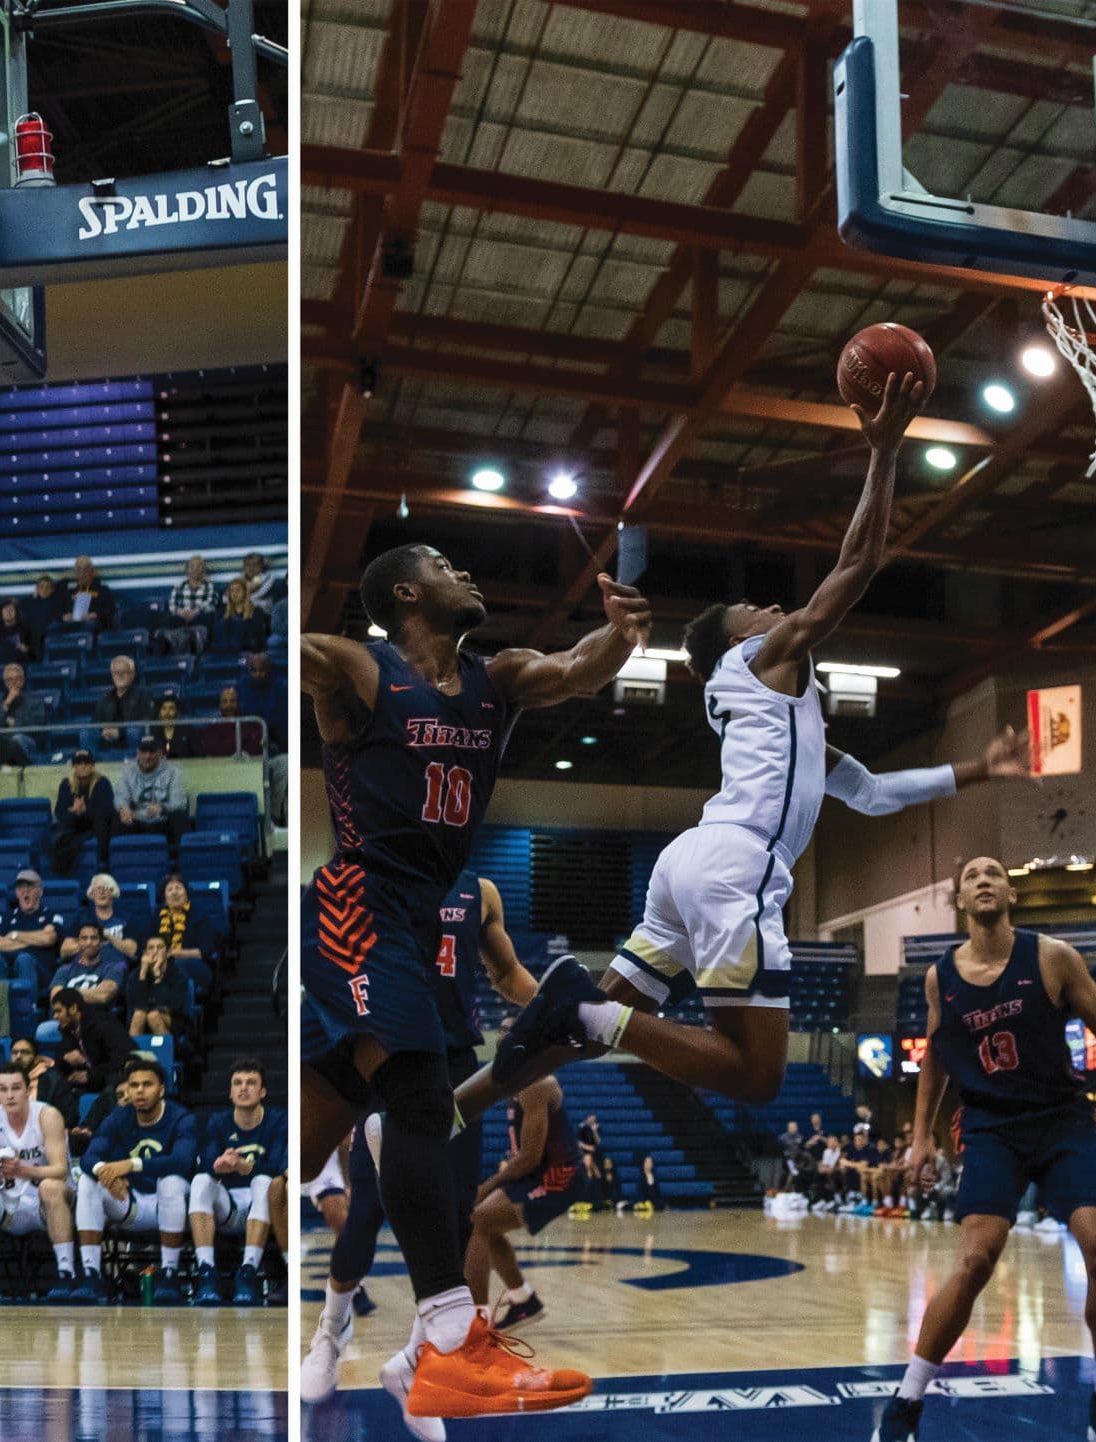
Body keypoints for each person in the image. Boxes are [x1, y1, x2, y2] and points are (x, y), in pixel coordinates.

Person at [472, 380, 1035, 1139]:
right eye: (758, 613)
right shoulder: (762, 660)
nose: (775, 613)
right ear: (737, 643)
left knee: (584, 1031)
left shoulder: (779, 714)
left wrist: (976, 771)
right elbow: (860, 564)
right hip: (736, 871)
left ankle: (457, 1107)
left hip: (688, 866)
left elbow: (866, 791)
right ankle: (576, 1003)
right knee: (755, 1075)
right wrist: (885, 448)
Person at [296, 528, 649, 1425]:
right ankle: (446, 1341)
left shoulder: (496, 680)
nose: (465, 570)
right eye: (444, 566)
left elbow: (578, 669)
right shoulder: (360, 668)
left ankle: (415, 1339)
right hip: (359, 897)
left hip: (419, 918)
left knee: (337, 1126)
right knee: (421, 1101)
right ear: (406, 596)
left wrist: (621, 636)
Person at [875, 854, 1096, 1442]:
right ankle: (905, 1405)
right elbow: (934, 1057)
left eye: (993, 873)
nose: (983, 880)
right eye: (971, 876)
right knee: (976, 1259)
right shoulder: (941, 978)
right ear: (961, 900)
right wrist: (919, 1141)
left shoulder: (1053, 958)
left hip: (1062, 1121)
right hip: (990, 1129)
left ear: (1011, 891)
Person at [303, 870, 538, 1416]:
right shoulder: (375, 875)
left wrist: (558, 1005)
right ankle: (328, 1335)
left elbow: (505, 971)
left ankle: (416, 1362)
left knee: (456, 1219)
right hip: (389, 1054)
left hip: (456, 1060)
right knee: (365, 1211)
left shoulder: (480, 891)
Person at [0, 1061, 81, 1301]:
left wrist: (22, 1169)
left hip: (47, 1204)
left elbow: (60, 1170)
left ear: (28, 1090)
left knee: (52, 1186)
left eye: (16, 1088)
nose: (10, 1095)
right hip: (9, 1203)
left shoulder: (48, 1115)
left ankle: (66, 1273)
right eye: (3, 1089)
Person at [464, 1075, 582, 1332]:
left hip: (559, 1176)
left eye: (508, 1032)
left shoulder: (536, 1083)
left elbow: (529, 1157)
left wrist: (484, 1188)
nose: (502, 1036)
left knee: (478, 1220)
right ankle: (523, 1300)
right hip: (535, 1173)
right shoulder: (517, 1080)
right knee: (483, 1223)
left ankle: (475, 1325)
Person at [70, 1058, 193, 1301]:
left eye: (147, 1084)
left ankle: (169, 1273)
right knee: (87, 1181)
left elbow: (182, 1161)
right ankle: (92, 1274)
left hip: (170, 1206)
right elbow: (89, 1157)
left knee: (171, 1181)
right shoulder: (119, 1117)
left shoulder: (181, 1118)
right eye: (134, 1085)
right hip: (129, 1202)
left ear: (162, 1089)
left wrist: (130, 1165)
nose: (139, 1090)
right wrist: (104, 1173)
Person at [186, 1060, 286, 1305]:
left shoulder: (278, 1121)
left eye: (251, 1083)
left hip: (265, 1208)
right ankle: (206, 1272)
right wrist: (217, 1165)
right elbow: (206, 1161)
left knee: (265, 1181)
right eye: (237, 1083)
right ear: (230, 1092)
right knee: (200, 1180)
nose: (244, 1088)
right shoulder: (217, 1122)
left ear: (262, 1091)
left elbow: (278, 1167)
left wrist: (246, 1167)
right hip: (227, 1208)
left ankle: (248, 1272)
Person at [49, 987, 132, 1097]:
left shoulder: (103, 1024)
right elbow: (60, 1058)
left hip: (114, 1078)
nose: (55, 1017)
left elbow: (120, 1060)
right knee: (52, 1080)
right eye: (54, 1012)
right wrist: (64, 1058)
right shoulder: (67, 1029)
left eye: (58, 1011)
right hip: (91, 1081)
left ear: (73, 1008)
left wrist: (90, 1075)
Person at [47, 750, 115, 876]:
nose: (83, 766)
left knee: (102, 825)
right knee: (55, 833)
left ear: (93, 765)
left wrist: (85, 811)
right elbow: (60, 813)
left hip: (95, 828)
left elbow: (106, 814)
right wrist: (74, 812)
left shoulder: (102, 783)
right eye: (79, 763)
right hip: (74, 827)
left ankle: (101, 865)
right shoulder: (66, 784)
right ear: (73, 766)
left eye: (87, 762)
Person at [0, 870, 66, 979]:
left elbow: (48, 938)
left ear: (40, 891)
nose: (25, 891)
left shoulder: (52, 916)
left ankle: (25, 996)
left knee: (24, 959)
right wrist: (35, 940)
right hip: (8, 973)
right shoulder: (5, 917)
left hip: (39, 973)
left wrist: (15, 935)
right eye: (20, 887)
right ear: (16, 893)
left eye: (30, 886)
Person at [118, 735, 189, 837]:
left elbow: (179, 802)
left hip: (163, 821)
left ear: (160, 753)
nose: (147, 756)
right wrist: (123, 808)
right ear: (137, 753)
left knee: (179, 816)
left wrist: (162, 808)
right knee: (117, 817)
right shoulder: (128, 772)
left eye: (152, 751)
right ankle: (112, 853)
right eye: (143, 751)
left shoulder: (173, 772)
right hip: (136, 820)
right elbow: (121, 795)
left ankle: (183, 853)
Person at [50, 924, 129, 1011]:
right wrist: (91, 995)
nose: (89, 942)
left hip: (97, 1020)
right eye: (84, 938)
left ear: (101, 943)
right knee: (47, 1025)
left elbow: (103, 996)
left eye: (94, 938)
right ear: (78, 942)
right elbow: (56, 998)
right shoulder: (63, 970)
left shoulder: (113, 968)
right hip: (65, 1020)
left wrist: (68, 993)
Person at [124, 937, 192, 1039]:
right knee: (139, 1015)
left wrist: (157, 974)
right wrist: (142, 974)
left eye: (159, 947)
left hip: (172, 1018)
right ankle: (132, 1055)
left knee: (153, 1016)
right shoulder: (135, 975)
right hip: (140, 1018)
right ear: (145, 953)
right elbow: (134, 1005)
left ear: (168, 952)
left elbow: (173, 1006)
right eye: (150, 948)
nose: (155, 951)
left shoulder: (178, 975)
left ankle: (166, 1053)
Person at [160, 556, 216, 654]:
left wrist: (195, 612)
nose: (195, 569)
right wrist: (179, 611)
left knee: (209, 617)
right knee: (168, 619)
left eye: (199, 566)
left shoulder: (210, 586)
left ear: (204, 570)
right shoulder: (179, 586)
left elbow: (211, 604)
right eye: (192, 566)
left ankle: (191, 643)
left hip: (199, 617)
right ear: (187, 570)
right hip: (181, 618)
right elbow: (172, 605)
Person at [90, 656, 144, 752]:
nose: (120, 676)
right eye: (116, 673)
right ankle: (88, 763)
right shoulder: (103, 699)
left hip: (131, 741)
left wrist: (120, 732)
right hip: (107, 740)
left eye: (124, 672)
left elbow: (144, 724)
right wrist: (104, 732)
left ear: (132, 674)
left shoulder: (143, 696)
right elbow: (94, 725)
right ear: (112, 675)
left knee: (134, 732)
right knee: (86, 734)